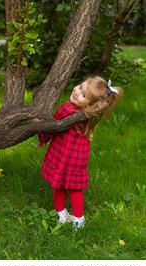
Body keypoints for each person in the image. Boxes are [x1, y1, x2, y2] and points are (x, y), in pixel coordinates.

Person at [38, 75, 123, 228]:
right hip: (78, 156)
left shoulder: (66, 109)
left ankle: (61, 213)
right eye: (79, 87)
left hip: (61, 152)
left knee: (60, 185)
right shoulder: (90, 114)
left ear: (91, 104)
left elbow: (52, 127)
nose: (77, 92)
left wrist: (43, 139)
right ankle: (78, 219)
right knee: (75, 187)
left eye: (83, 95)